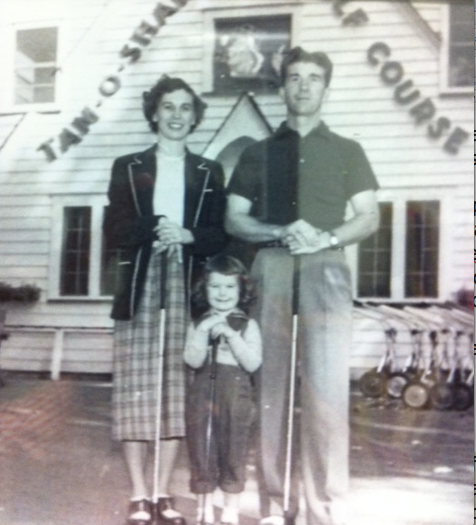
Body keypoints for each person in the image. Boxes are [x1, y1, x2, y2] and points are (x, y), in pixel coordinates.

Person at [225, 47, 380, 525]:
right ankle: (273, 503)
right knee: (270, 385)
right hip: (272, 267)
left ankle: (323, 506)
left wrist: (326, 236)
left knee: (327, 392)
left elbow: (368, 216)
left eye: (314, 78)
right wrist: (280, 231)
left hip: (326, 267)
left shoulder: (347, 151)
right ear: (284, 87)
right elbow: (234, 219)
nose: (304, 86)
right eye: (294, 77)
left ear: (325, 88)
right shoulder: (257, 152)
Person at [103, 76, 228, 525]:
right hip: (138, 280)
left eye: (184, 108)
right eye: (168, 107)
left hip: (184, 279)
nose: (176, 115)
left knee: (177, 388)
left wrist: (187, 234)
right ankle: (139, 493)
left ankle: (163, 491)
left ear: (194, 116)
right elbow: (113, 229)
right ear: (154, 112)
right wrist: (157, 225)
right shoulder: (128, 165)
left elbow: (220, 234)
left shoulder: (209, 171)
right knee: (135, 388)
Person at [183, 255, 262, 525]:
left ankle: (230, 510)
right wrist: (204, 329)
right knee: (201, 449)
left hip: (235, 395)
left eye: (230, 287)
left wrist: (231, 335)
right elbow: (192, 360)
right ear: (204, 290)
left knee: (234, 450)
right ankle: (203, 509)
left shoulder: (248, 325)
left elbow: (252, 363)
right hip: (202, 394)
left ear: (241, 291)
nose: (222, 293)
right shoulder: (197, 323)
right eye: (215, 287)